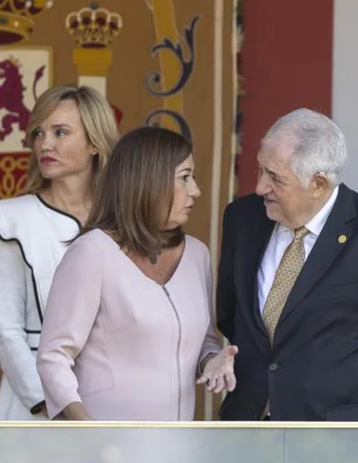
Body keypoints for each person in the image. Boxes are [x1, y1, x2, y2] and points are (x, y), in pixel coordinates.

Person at [216, 108, 358, 421]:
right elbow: (231, 317)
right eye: (260, 170)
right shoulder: (242, 219)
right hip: (249, 426)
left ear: (319, 184)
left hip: (339, 438)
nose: (260, 187)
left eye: (276, 179)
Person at [36, 126, 238, 421]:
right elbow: (53, 356)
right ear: (148, 182)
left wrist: (212, 360)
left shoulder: (197, 255)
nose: (196, 190)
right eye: (185, 177)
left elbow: (204, 340)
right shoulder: (92, 252)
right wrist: (85, 428)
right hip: (107, 453)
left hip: (175, 451)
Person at [0, 85, 118, 420]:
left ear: (94, 142)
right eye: (39, 133)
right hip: (35, 409)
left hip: (109, 399)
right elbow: (7, 331)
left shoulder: (122, 223)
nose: (45, 144)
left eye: (60, 132)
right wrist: (55, 405)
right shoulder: (13, 221)